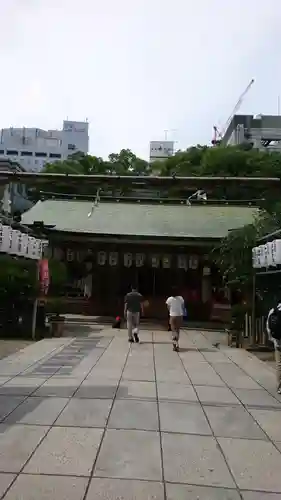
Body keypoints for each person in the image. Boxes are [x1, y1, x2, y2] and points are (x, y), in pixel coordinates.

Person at [266, 300, 281, 394]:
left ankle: (279, 387)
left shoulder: (274, 310)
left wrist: (272, 339)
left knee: (279, 364)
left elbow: (268, 326)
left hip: (278, 342)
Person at [166, 287, 185, 351]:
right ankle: (176, 343)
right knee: (177, 330)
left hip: (172, 315)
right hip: (179, 315)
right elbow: (182, 306)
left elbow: (168, 307)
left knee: (173, 330)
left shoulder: (169, 299)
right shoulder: (181, 298)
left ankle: (175, 343)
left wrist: (170, 311)